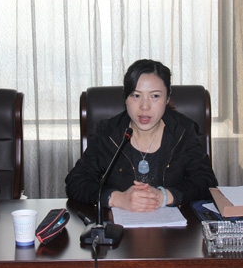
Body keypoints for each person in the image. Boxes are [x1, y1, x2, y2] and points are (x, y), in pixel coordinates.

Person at [66, 59, 217, 212]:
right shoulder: (109, 132)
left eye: (155, 96)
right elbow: (76, 182)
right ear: (125, 98)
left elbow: (206, 181)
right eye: (136, 96)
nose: (145, 107)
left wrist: (164, 196)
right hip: (118, 225)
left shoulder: (183, 131)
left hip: (175, 226)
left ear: (168, 98)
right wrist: (117, 199)